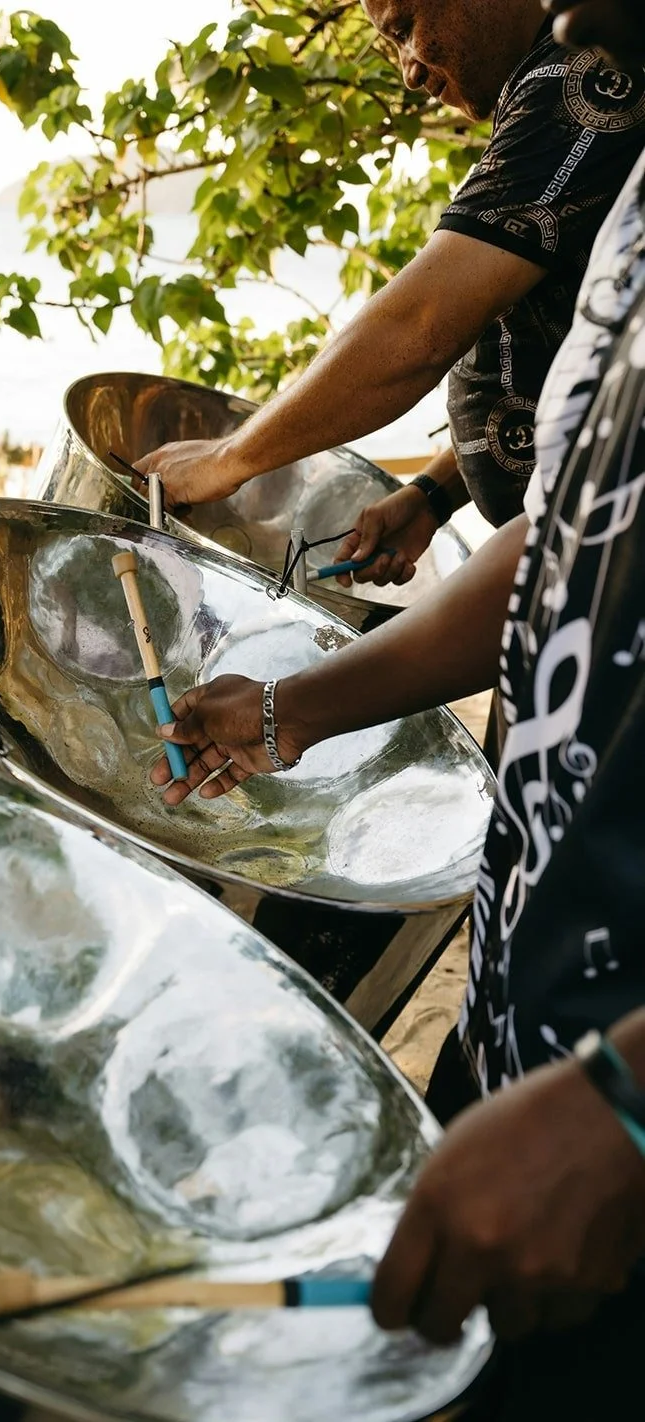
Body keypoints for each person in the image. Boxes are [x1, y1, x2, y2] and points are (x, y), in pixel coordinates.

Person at [148, 1, 645, 1409]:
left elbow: (424, 318)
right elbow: (567, 528)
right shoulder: (629, 191)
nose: (555, 17)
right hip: (530, 1024)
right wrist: (304, 701)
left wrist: (625, 1099)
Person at [135, 0, 645, 593]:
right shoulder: (546, 87)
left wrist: (228, 460)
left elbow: (421, 326)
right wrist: (434, 492)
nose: (409, 69)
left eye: (405, 29)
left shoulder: (581, 83)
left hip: (605, 574)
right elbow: (575, 361)